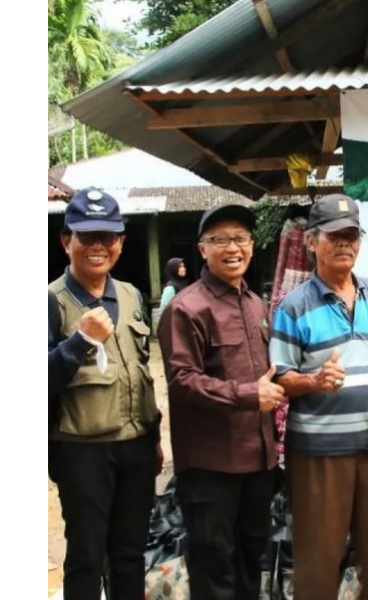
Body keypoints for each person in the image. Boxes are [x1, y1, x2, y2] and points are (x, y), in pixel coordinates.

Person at [269, 195, 368, 599]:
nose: (345, 243)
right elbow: (280, 378)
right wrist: (315, 381)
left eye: (352, 235)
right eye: (334, 236)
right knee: (319, 556)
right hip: (320, 452)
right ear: (312, 242)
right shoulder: (293, 307)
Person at [158, 204, 284, 600]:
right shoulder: (185, 308)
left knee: (251, 557)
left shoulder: (256, 304)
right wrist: (248, 395)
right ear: (202, 249)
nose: (233, 248)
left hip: (258, 461)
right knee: (214, 567)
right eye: (221, 240)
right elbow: (182, 381)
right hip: (211, 465)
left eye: (241, 238)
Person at [48, 187, 162, 600]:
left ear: (121, 243)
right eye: (87, 236)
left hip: (137, 446)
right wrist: (79, 341)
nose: (98, 246)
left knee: (130, 554)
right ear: (66, 241)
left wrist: (154, 437)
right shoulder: (50, 301)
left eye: (107, 236)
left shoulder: (130, 295)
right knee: (87, 557)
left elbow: (142, 370)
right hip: (82, 451)